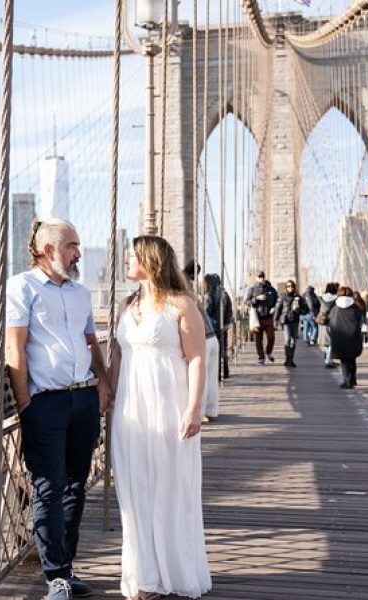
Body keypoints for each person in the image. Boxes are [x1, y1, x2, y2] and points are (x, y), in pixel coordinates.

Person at [6, 218, 111, 600]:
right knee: (48, 488)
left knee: (74, 487)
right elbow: (14, 349)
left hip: (83, 399)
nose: (78, 252)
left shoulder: (81, 293)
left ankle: (67, 567)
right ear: (49, 249)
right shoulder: (21, 287)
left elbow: (91, 344)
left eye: (78, 245)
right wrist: (25, 405)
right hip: (45, 402)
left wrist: (103, 381)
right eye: (72, 245)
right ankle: (56, 577)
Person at [110, 235, 212, 599]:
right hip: (130, 409)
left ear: (150, 261)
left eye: (132, 255)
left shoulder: (182, 305)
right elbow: (119, 357)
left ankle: (174, 572)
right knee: (135, 491)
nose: (126, 259)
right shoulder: (126, 305)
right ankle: (143, 576)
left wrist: (194, 409)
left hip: (169, 406)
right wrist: (107, 395)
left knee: (170, 488)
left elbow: (198, 358)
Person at [182, 262, 220, 419]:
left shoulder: (181, 296)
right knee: (211, 378)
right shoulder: (193, 296)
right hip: (212, 337)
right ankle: (212, 411)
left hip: (202, 340)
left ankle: (201, 412)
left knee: (200, 379)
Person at [329, 286, 364, 389]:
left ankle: (346, 381)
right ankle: (352, 379)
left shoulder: (335, 308)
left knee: (344, 360)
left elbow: (331, 320)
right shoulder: (355, 307)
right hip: (353, 336)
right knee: (352, 359)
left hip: (340, 336)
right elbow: (359, 319)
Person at [245, 270, 278, 366]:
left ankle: (268, 351)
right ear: (256, 277)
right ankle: (261, 358)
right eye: (259, 276)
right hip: (257, 317)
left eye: (262, 276)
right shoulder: (252, 289)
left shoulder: (271, 289)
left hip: (268, 317)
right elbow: (247, 302)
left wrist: (274, 307)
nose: (261, 278)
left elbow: (278, 300)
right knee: (258, 339)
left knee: (271, 337)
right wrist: (256, 298)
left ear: (265, 277)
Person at [205, 273, 233, 380]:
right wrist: (227, 323)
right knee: (223, 349)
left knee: (213, 351)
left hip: (212, 326)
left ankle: (216, 374)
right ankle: (225, 371)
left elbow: (208, 309)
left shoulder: (209, 295)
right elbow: (229, 311)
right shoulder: (225, 294)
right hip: (222, 326)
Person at [273, 280, 307, 367]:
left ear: (294, 287)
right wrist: (275, 321)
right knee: (287, 339)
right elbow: (277, 309)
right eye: (288, 286)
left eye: (292, 286)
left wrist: (299, 310)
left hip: (295, 321)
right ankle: (287, 359)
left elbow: (305, 310)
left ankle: (291, 359)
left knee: (293, 341)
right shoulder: (282, 297)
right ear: (286, 287)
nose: (290, 288)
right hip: (285, 321)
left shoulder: (299, 297)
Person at [317, 282, 338, 368]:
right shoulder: (336, 298)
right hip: (332, 321)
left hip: (322, 320)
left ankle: (328, 358)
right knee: (331, 341)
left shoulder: (321, 297)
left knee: (324, 341)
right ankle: (328, 360)